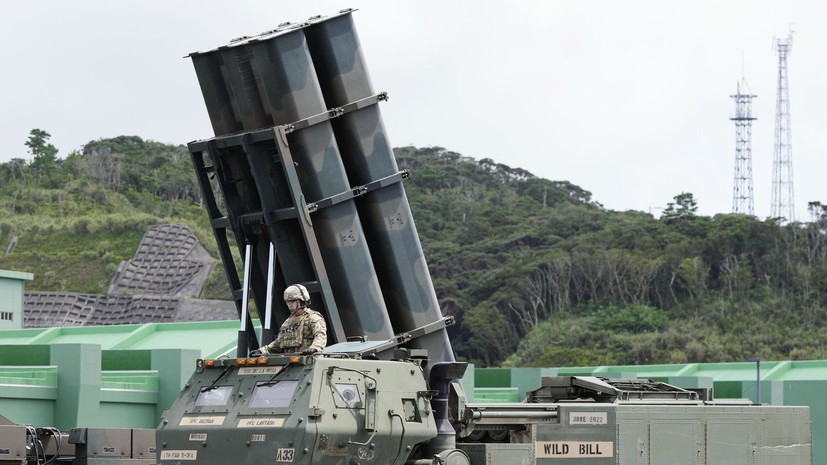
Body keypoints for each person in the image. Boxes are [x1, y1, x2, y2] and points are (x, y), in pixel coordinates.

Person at [253, 284, 327, 356]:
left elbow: (320, 335)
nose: (289, 304)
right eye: (288, 302)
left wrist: (315, 348)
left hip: (308, 361)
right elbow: (279, 342)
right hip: (289, 362)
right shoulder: (287, 322)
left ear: (301, 300)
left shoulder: (313, 318)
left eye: (292, 301)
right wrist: (262, 351)